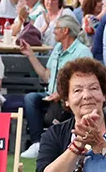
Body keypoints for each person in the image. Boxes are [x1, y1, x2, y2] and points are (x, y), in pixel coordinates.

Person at [18, 14, 92, 157]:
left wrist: (63, 94)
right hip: (51, 95)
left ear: (65, 31)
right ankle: (37, 144)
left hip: (70, 98)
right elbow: (46, 75)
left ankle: (60, 144)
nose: (53, 31)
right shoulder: (58, 48)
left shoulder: (82, 52)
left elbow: (85, 82)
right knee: (31, 98)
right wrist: (30, 54)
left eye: (56, 28)